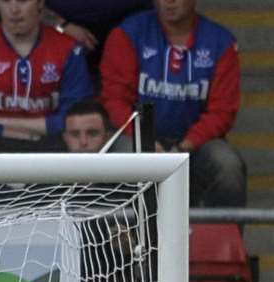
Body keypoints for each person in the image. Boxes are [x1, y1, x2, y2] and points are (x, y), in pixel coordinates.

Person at [99, 0, 244, 207]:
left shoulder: (221, 42)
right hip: (137, 137)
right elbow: (114, 101)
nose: (168, 1)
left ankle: (223, 240)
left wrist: (185, 146)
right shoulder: (127, 34)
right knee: (122, 156)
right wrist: (145, 141)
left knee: (226, 164)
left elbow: (222, 112)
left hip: (195, 144)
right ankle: (122, 236)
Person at [0, 0, 91, 151]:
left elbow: (75, 119)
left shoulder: (68, 48)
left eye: (22, 1)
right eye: (5, 1)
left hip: (52, 146)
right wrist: (34, 131)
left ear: (40, 4)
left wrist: (1, 122)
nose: (14, 9)